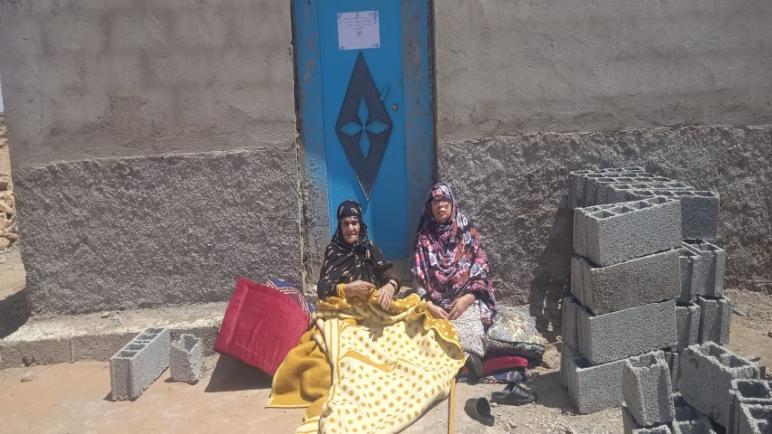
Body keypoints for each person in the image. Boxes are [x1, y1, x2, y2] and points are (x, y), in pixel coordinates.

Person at [317, 200, 401, 308]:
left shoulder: (369, 248)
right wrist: (345, 289)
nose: (350, 228)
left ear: (360, 225)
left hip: (372, 308)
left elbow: (387, 271)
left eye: (354, 223)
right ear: (340, 227)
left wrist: (391, 285)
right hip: (344, 310)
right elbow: (322, 289)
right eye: (346, 224)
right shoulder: (334, 251)